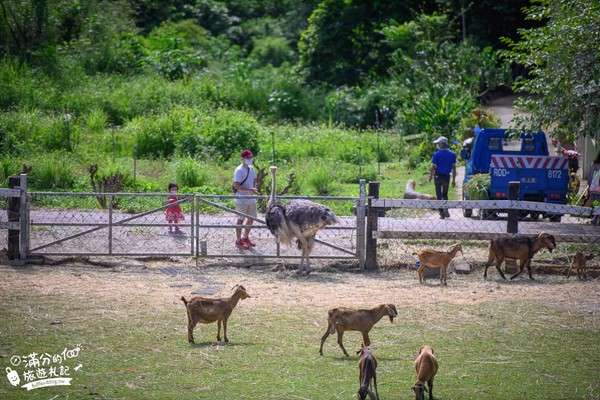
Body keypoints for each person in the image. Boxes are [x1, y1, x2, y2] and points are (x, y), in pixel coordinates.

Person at [233, 149, 260, 249]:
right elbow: (236, 185)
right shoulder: (239, 170)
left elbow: (253, 180)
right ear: (243, 158)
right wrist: (250, 189)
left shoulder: (251, 169)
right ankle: (238, 240)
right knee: (240, 220)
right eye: (248, 158)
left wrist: (254, 189)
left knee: (251, 219)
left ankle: (246, 237)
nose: (250, 159)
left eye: (251, 157)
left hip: (250, 198)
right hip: (241, 199)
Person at [428, 136, 456, 219]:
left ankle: (441, 213)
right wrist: (454, 180)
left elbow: (433, 167)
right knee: (445, 194)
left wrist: (430, 176)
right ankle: (445, 209)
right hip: (446, 177)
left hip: (438, 176)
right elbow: (454, 168)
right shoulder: (452, 154)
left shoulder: (436, 154)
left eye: (438, 143)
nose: (437, 144)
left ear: (441, 144)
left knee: (439, 195)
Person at [588, 151, 600, 225]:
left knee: (593, 201)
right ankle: (595, 217)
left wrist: (589, 185)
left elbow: (590, 175)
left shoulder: (594, 163)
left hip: (595, 186)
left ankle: (595, 217)